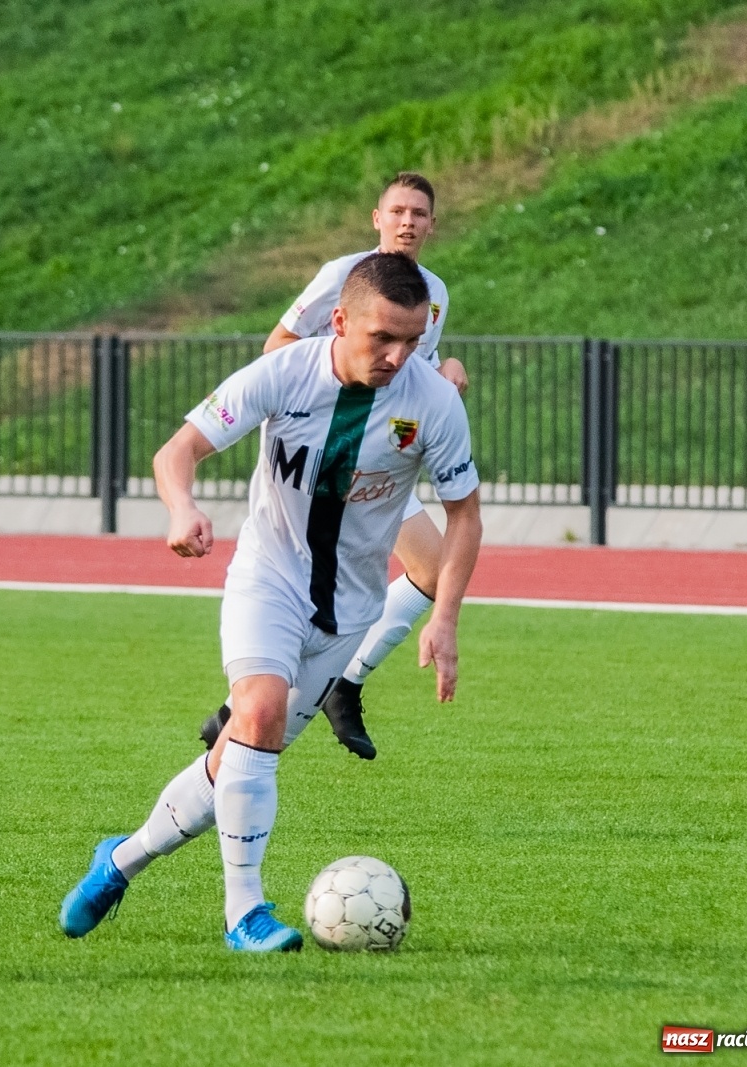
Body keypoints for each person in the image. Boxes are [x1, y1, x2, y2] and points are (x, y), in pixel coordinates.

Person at [60, 252, 481, 951]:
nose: (398, 355)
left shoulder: (431, 402)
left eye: (411, 340)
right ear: (340, 321)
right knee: (257, 708)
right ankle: (243, 914)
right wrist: (181, 508)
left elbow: (464, 514)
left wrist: (444, 617)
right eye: (383, 337)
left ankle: (122, 857)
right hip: (269, 577)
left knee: (240, 756)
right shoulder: (284, 374)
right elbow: (178, 450)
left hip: (349, 609)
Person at [201, 172, 465, 761]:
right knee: (375, 570)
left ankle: (342, 681)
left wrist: (446, 372)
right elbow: (278, 350)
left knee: (434, 567)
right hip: (328, 456)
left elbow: (413, 365)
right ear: (376, 218)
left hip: (384, 460)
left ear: (431, 224)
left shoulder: (435, 291)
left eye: (419, 213)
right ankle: (276, 694)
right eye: (397, 210)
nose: (407, 222)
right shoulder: (340, 277)